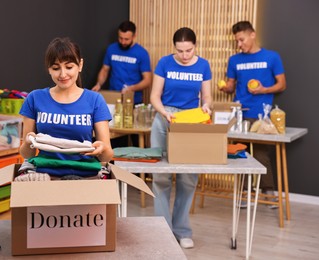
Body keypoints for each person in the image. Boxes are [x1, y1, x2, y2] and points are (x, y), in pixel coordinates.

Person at [149, 27, 212, 249]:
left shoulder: (203, 65)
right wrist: (164, 112)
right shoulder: (165, 63)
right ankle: (162, 230)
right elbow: (154, 96)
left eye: (189, 50)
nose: (184, 56)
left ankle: (182, 230)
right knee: (161, 177)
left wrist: (206, 106)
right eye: (180, 51)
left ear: (195, 46)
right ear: (174, 47)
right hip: (164, 118)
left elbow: (206, 96)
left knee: (187, 177)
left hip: (190, 121)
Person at [19, 37, 114, 178]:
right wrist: (28, 142)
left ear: (80, 65)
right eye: (56, 68)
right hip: (45, 175)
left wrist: (102, 149)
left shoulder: (94, 100)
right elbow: (27, 154)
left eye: (69, 67)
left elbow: (107, 156)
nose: (63, 74)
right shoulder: (35, 98)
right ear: (49, 69)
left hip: (85, 175)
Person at [219, 21, 287, 206]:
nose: (239, 44)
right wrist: (225, 87)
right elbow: (231, 85)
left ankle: (268, 193)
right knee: (240, 153)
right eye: (237, 41)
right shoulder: (234, 60)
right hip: (239, 113)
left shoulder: (271, 57)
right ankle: (244, 193)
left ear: (252, 35)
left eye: (241, 40)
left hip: (262, 114)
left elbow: (281, 84)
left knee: (261, 153)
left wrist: (264, 90)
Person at [92, 20, 152, 104]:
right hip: (113, 97)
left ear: (134, 36)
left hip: (133, 99)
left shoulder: (142, 53)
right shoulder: (111, 49)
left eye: (126, 39)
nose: (123, 42)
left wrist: (131, 88)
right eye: (120, 38)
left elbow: (147, 80)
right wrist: (99, 84)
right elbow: (105, 70)